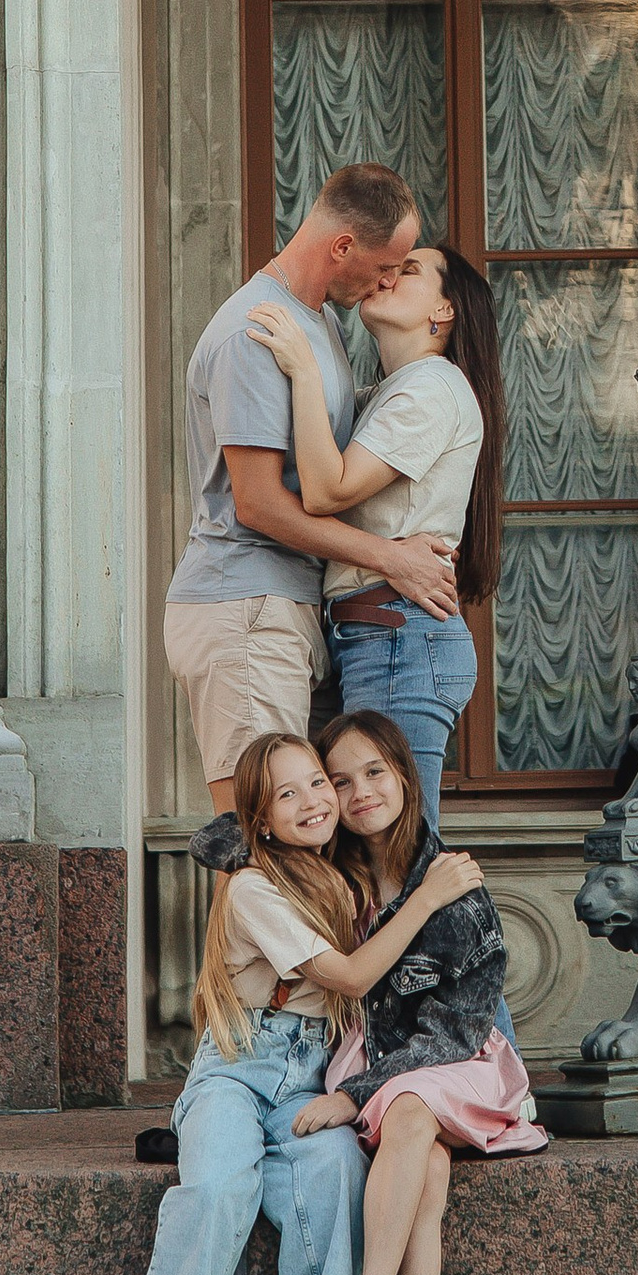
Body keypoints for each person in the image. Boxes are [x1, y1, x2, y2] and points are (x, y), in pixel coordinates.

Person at [90, 729, 487, 1275]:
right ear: (260, 820)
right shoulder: (253, 886)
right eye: (288, 793)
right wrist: (430, 893)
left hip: (313, 1079)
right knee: (214, 1188)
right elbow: (349, 976)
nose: (315, 801)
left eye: (320, 785)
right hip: (238, 1071)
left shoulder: (337, 872)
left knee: (338, 1173)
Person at [293, 708, 547, 1275]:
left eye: (375, 771)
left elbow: (455, 1029)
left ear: (405, 775)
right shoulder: (331, 878)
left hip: (461, 1067)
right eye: (340, 780)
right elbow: (231, 842)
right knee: (425, 1173)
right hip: (397, 1087)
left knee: (408, 1110)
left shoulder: (455, 888)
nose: (359, 791)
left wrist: (355, 1096)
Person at [165, 161, 464, 816]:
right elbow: (259, 504)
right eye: (387, 266)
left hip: (289, 610)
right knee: (259, 842)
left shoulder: (320, 324)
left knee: (303, 847)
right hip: (245, 606)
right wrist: (391, 557)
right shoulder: (256, 332)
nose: (388, 280)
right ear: (342, 248)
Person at [247, 236, 502, 833]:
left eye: (409, 271)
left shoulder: (432, 386)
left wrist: (304, 366)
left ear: (445, 312)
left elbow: (327, 491)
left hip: (397, 640)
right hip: (378, 635)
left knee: (398, 850)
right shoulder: (393, 391)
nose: (387, 277)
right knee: (374, 854)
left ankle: (460, 933)